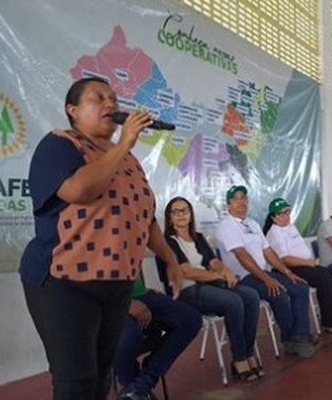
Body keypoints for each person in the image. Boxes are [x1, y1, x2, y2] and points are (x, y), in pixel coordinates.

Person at [19, 76, 183, 400]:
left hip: (116, 285)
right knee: (75, 383)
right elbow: (79, 189)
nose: (111, 104)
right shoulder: (59, 144)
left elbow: (144, 218)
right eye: (98, 98)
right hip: (63, 282)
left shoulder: (129, 161)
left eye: (113, 99)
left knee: (100, 377)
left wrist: (170, 258)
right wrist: (123, 144)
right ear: (73, 110)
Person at [163, 196, 263, 381]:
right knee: (233, 301)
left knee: (251, 296)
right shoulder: (167, 241)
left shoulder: (198, 237)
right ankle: (239, 358)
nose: (180, 215)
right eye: (175, 212)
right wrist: (218, 275)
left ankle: (249, 353)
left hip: (208, 285)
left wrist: (225, 270)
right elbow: (186, 271)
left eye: (184, 210)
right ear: (169, 218)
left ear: (191, 214)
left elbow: (213, 261)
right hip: (186, 291)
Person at [215, 185, 318, 358]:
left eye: (244, 198)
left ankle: (300, 334)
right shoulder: (227, 226)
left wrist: (286, 272)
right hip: (243, 278)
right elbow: (242, 256)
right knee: (279, 292)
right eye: (236, 199)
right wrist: (267, 279)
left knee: (299, 286)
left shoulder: (252, 224)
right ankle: (290, 340)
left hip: (261, 273)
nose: (241, 202)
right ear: (228, 206)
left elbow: (268, 252)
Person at [264, 198, 332, 335]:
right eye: (281, 213)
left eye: (287, 212)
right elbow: (285, 259)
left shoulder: (290, 227)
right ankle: (330, 323)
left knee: (331, 274)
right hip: (291, 268)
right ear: (274, 218)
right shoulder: (274, 233)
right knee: (324, 278)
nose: (286, 216)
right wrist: (307, 262)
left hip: (304, 265)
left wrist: (309, 260)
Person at [113, 277, 201, 399]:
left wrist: (171, 263)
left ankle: (141, 384)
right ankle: (135, 391)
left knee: (190, 319)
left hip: (137, 294)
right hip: (108, 303)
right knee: (125, 339)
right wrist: (125, 303)